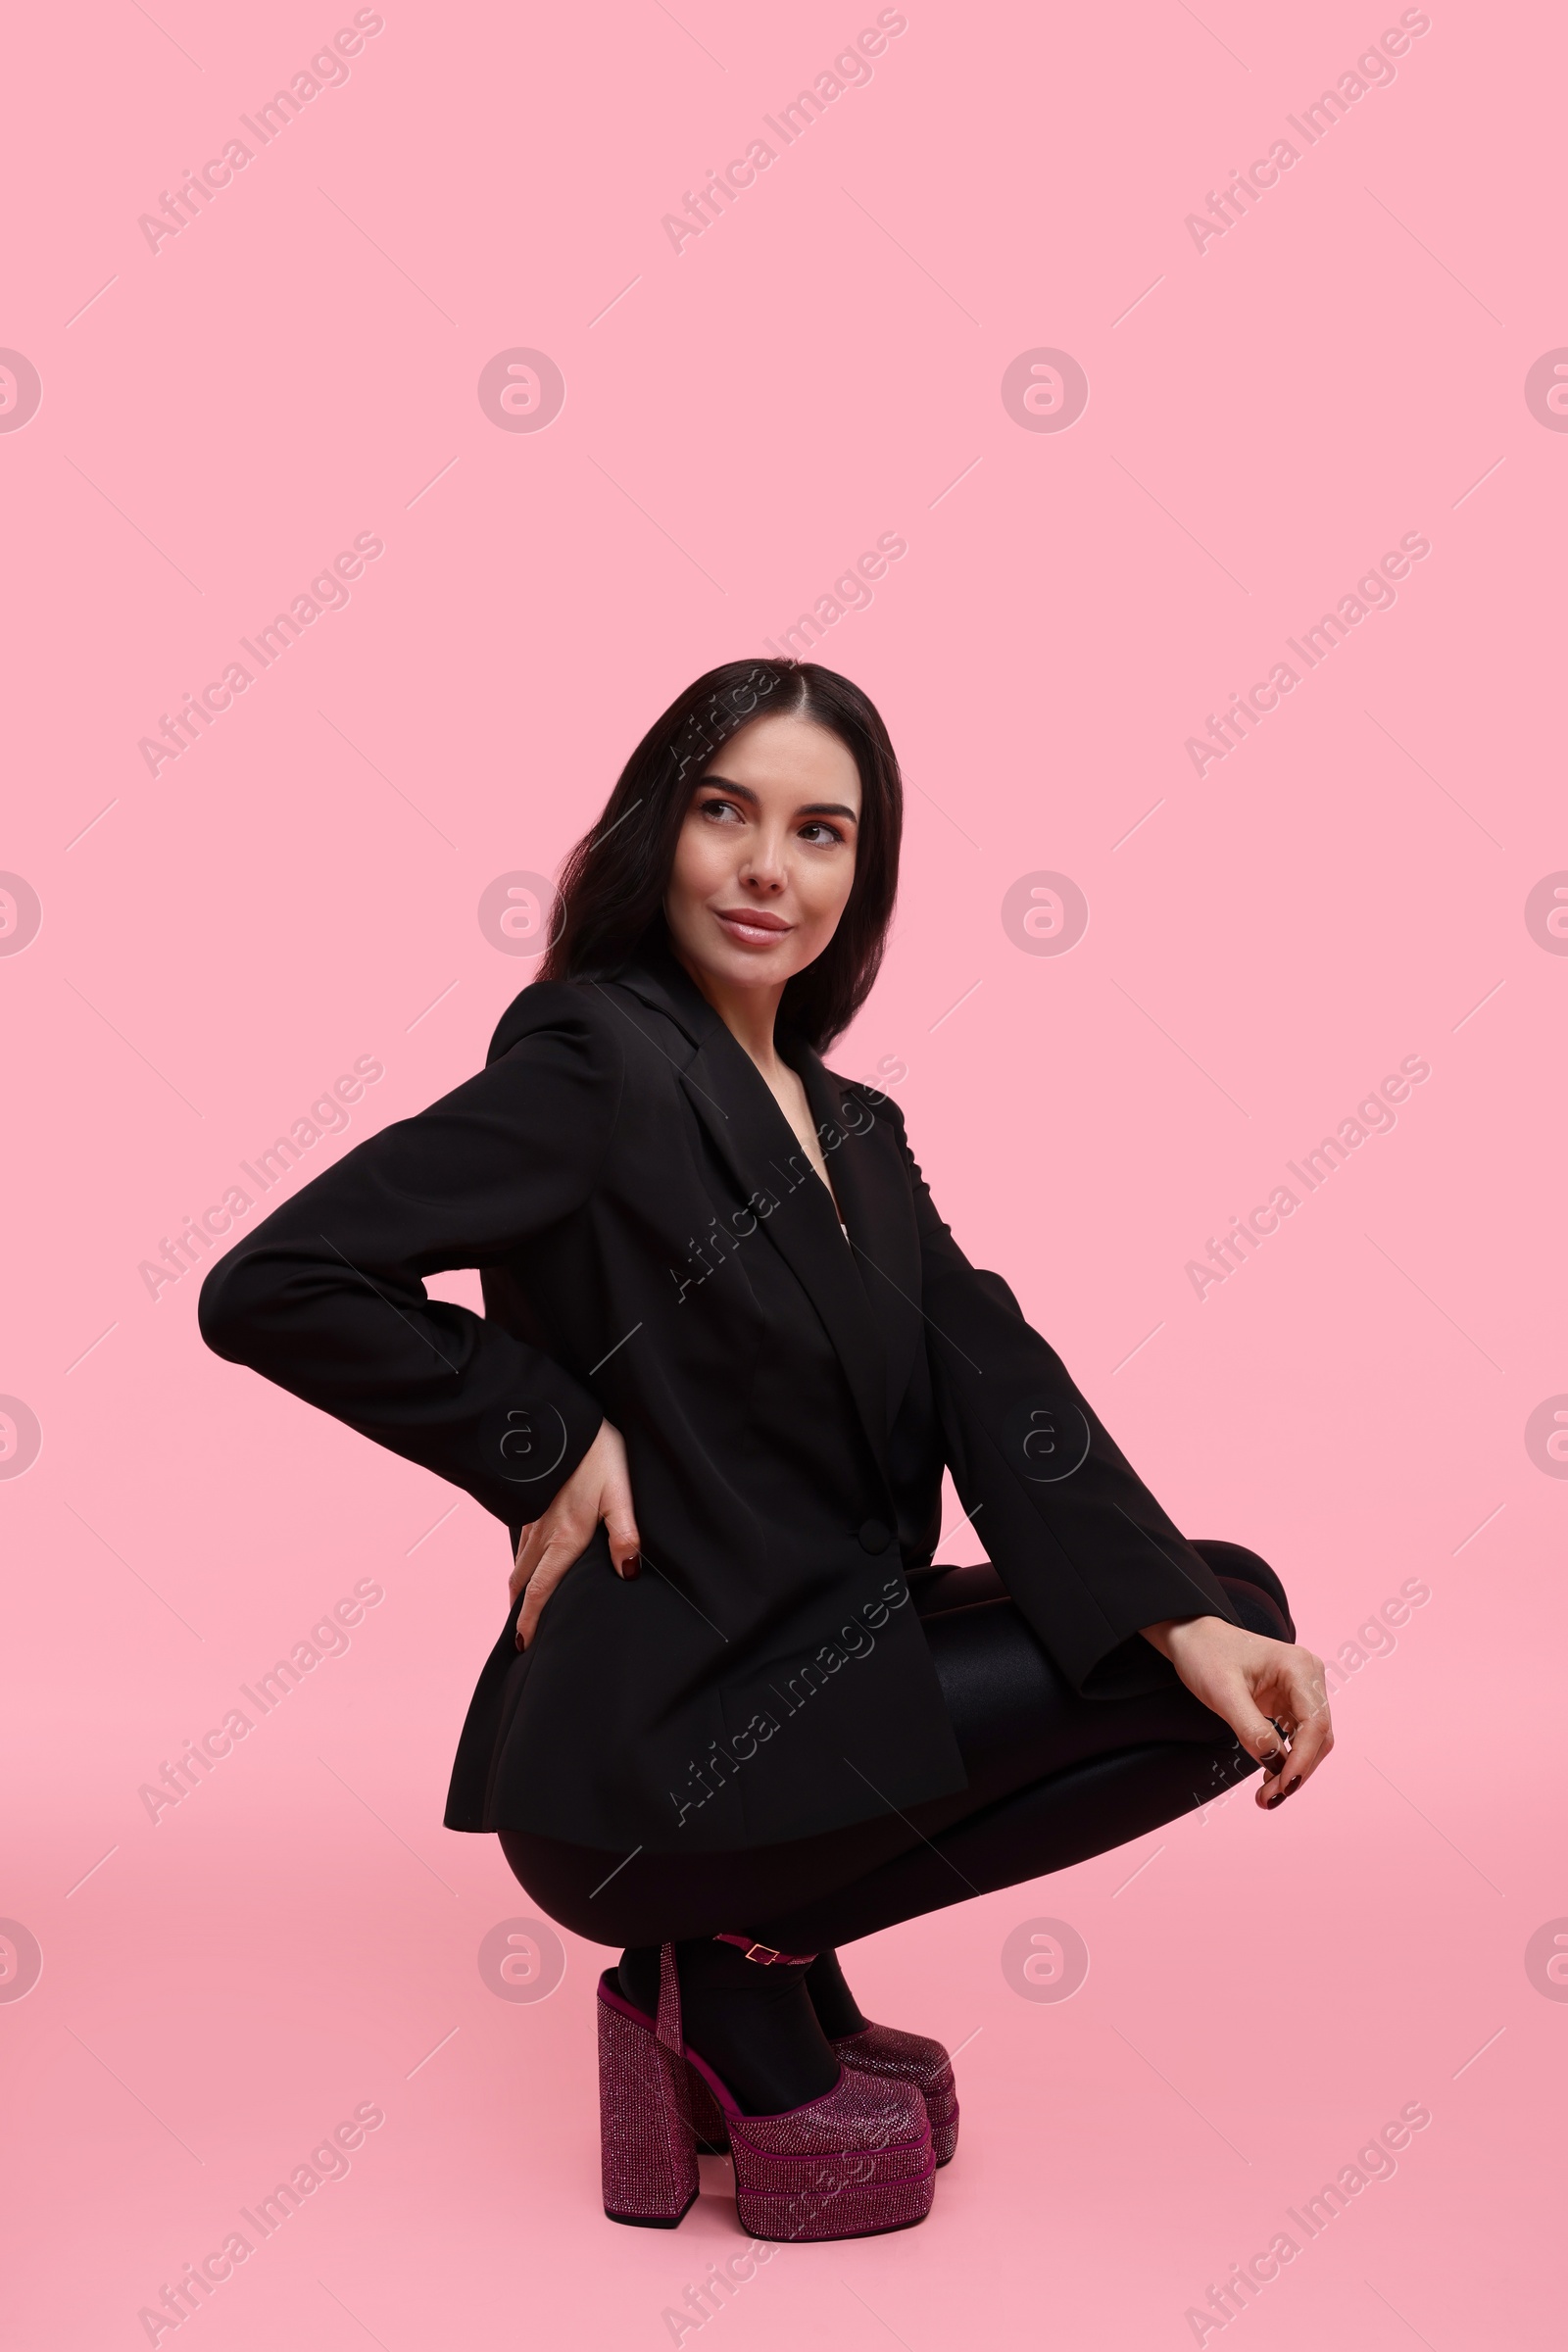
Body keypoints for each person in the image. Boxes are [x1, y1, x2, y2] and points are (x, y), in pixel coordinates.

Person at [199, 658, 1332, 2244]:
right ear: (658, 828)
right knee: (1186, 1645)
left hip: (815, 1678)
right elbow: (274, 1284)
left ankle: (750, 1952)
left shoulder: (852, 1124)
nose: (765, 868)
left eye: (821, 832)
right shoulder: (594, 1064)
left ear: (862, 876)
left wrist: (1188, 1617)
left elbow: (990, 1373)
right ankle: (730, 1968)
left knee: (1230, 1611)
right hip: (647, 1753)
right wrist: (543, 1436)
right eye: (725, 812)